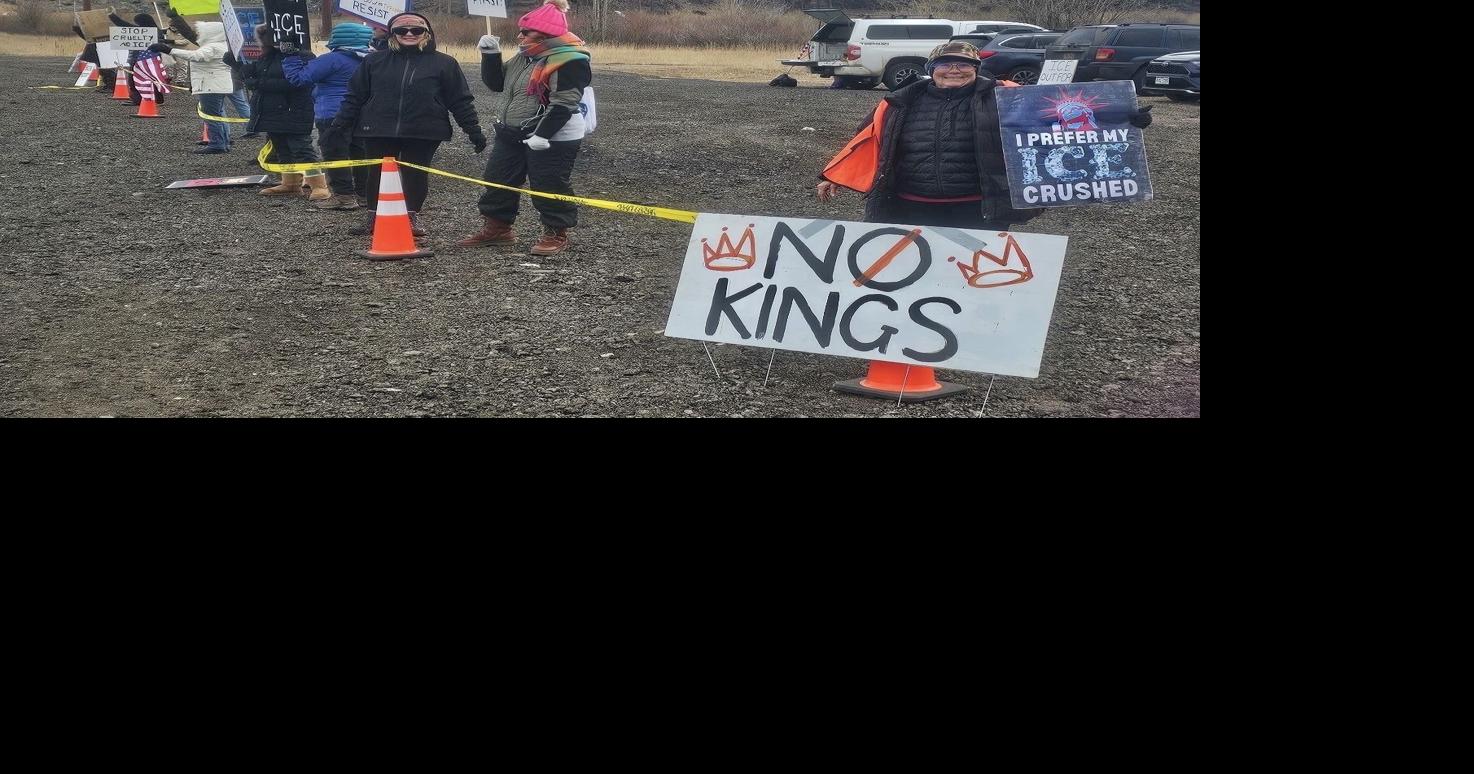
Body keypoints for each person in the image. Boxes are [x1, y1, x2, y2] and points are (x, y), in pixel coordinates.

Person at [816, 41, 1152, 231]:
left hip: (978, 209)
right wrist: (834, 175)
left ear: (976, 69)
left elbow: (1062, 121)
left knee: (973, 283)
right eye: (945, 64)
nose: (954, 69)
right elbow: (867, 138)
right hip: (908, 207)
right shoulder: (900, 101)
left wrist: (1122, 119)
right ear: (931, 70)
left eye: (964, 64)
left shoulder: (1009, 97)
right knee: (913, 280)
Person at [328, 12, 486, 238]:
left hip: (425, 129)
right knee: (377, 172)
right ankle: (374, 215)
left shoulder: (445, 63)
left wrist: (473, 131)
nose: (409, 34)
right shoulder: (373, 61)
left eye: (416, 30)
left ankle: (411, 216)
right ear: (392, 34)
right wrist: (339, 125)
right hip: (378, 127)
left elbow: (460, 100)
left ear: (427, 33)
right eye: (402, 30)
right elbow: (355, 96)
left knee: (415, 173)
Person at [456, 0, 590, 256]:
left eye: (525, 32)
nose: (519, 36)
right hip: (512, 132)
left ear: (545, 34)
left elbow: (564, 103)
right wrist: (490, 55)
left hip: (554, 136)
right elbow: (497, 84)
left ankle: (556, 232)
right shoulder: (524, 56)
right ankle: (498, 229)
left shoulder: (570, 60)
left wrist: (542, 135)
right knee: (498, 179)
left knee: (549, 183)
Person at [226, 25, 326, 199]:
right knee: (281, 147)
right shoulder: (268, 56)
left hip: (294, 109)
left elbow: (295, 83)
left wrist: (258, 83)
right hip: (271, 110)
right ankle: (290, 183)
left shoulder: (303, 56)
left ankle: (318, 185)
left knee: (302, 149)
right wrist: (237, 65)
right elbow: (253, 74)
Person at [283, 22, 374, 210]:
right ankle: (365, 195)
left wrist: (291, 56)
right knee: (362, 155)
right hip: (364, 113)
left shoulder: (332, 60)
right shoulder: (373, 59)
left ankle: (344, 197)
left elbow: (299, 78)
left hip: (332, 113)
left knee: (335, 155)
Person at [149, 22, 245, 155]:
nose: (199, 34)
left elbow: (195, 56)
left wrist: (169, 50)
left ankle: (217, 144)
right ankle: (223, 141)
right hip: (216, 84)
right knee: (218, 114)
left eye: (202, 31)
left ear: (210, 33)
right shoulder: (221, 45)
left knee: (212, 116)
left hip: (210, 85)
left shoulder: (212, 47)